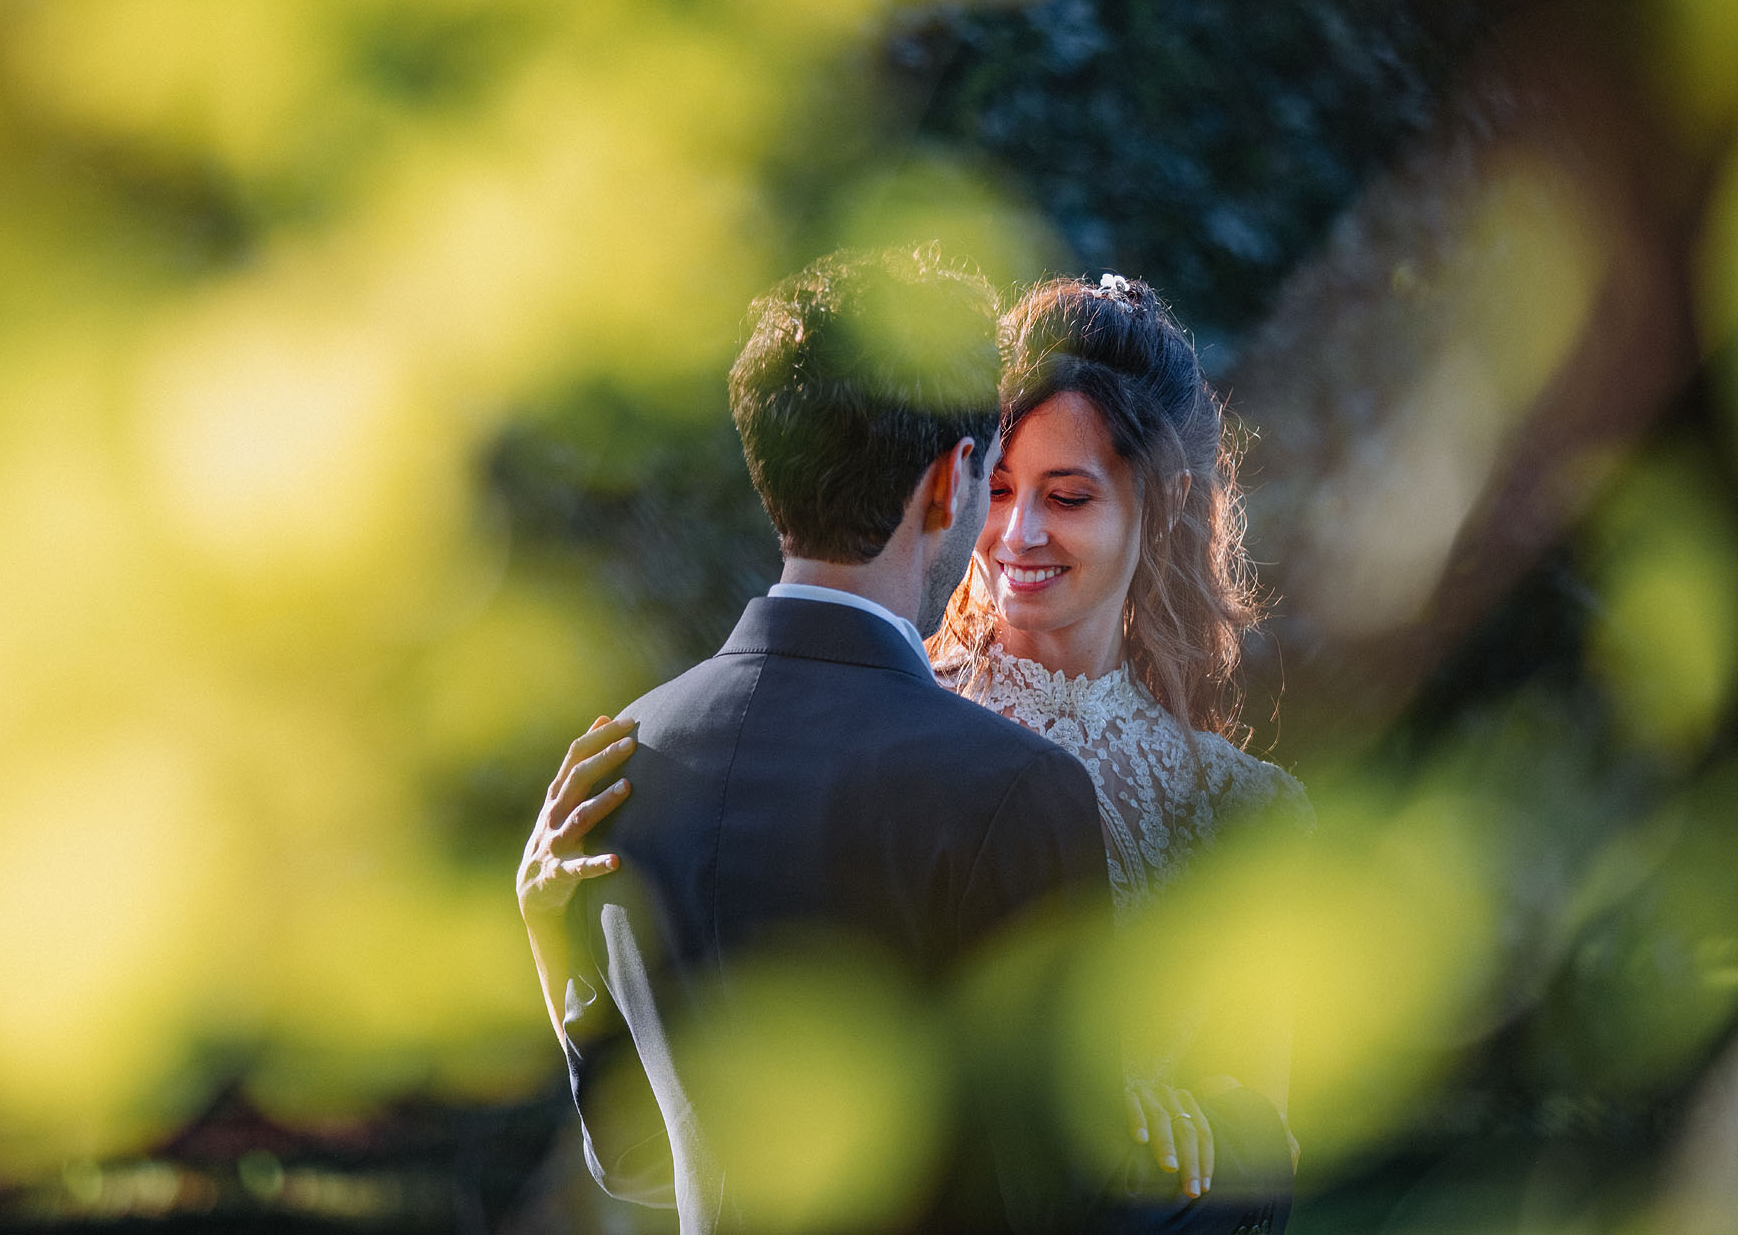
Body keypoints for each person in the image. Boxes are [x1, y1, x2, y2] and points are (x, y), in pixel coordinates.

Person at [522, 271, 1309, 1228]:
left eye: (1066, 496)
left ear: (1166, 503)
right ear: (959, 480)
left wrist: (1215, 1139)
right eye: (1004, 487)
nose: (1017, 532)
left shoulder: (1240, 812)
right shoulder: (874, 730)